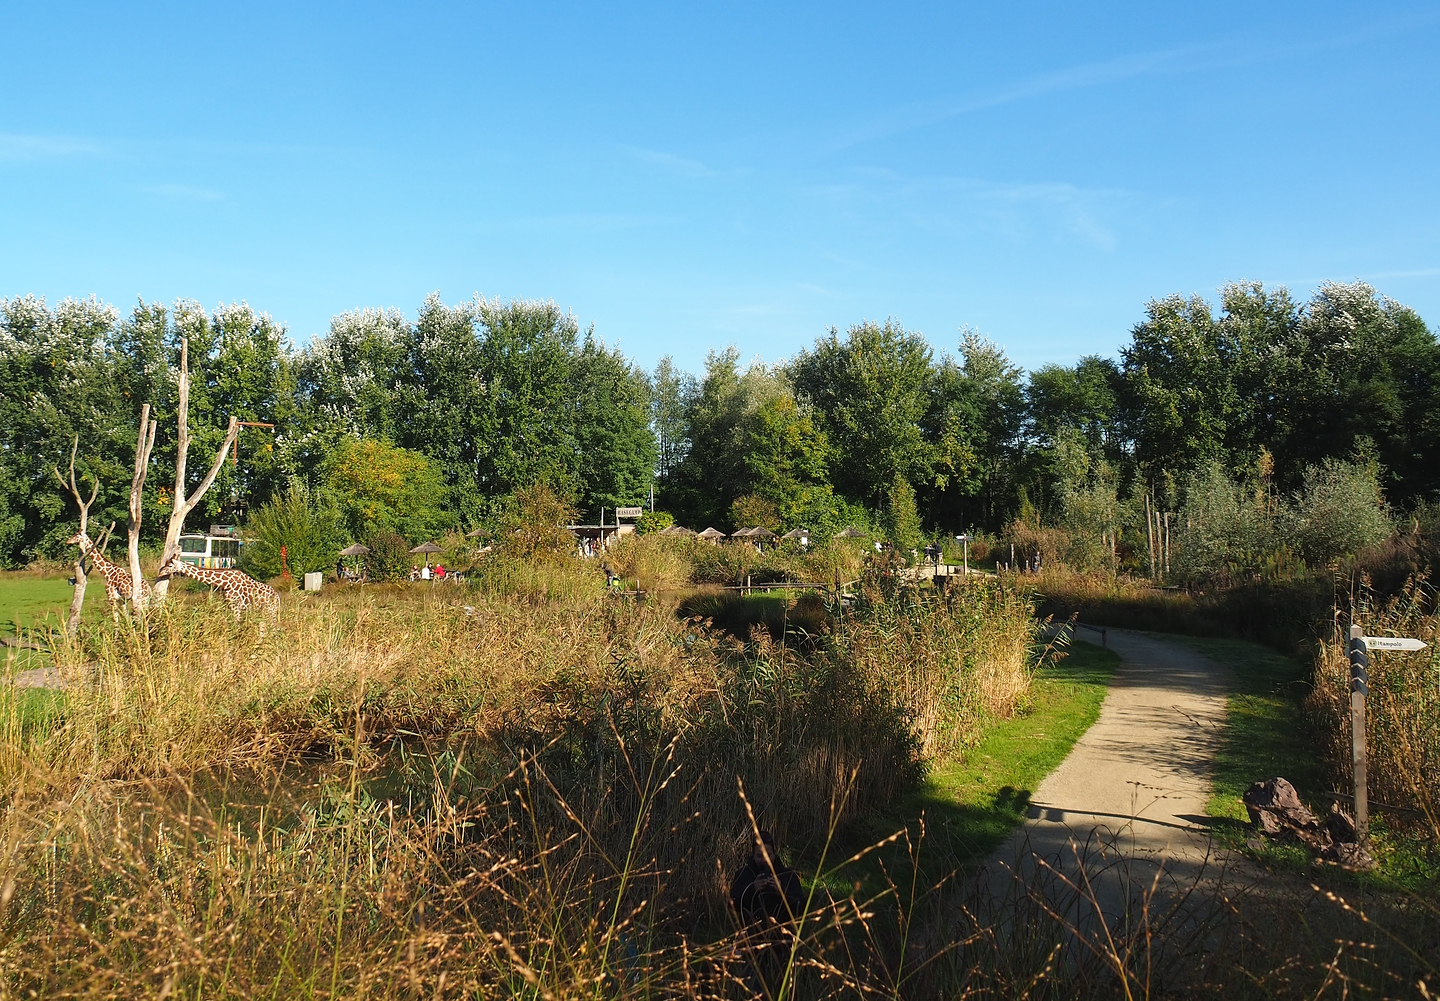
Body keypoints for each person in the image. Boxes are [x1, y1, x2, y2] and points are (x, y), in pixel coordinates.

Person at [729, 831, 803, 988]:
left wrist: (782, 892)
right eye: (759, 856)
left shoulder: (787, 875)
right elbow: (733, 906)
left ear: (774, 854)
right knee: (751, 973)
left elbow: (800, 907)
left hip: (782, 935)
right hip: (752, 935)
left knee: (787, 972)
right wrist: (751, 889)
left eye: (768, 855)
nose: (764, 860)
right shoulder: (744, 875)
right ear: (753, 856)